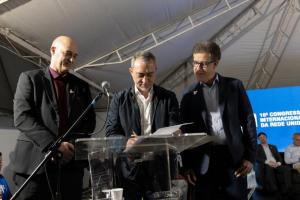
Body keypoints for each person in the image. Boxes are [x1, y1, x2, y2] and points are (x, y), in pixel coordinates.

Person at [11, 35, 96, 200]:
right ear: (53, 50)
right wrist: (54, 145)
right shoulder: (30, 78)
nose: (71, 59)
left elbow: (89, 124)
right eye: (68, 53)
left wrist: (69, 146)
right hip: (35, 168)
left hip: (70, 169)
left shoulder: (82, 87)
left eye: (75, 56)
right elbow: (22, 117)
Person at [180, 41, 257, 200]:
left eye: (203, 64)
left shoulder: (234, 86)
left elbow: (248, 121)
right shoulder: (188, 94)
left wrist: (250, 157)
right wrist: (186, 166)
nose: (197, 68)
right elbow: (185, 133)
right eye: (195, 63)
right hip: (203, 163)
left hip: (234, 160)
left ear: (215, 64)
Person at [106, 51, 180, 200]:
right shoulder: (118, 100)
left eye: (150, 74)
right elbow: (110, 133)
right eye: (140, 75)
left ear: (156, 71)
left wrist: (175, 132)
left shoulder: (168, 97)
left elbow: (174, 125)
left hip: (160, 170)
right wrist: (126, 142)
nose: (145, 80)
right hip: (129, 171)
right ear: (131, 72)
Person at [255, 132, 291, 198]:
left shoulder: (273, 146)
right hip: (267, 165)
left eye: (264, 137)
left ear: (266, 138)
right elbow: (257, 158)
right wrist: (267, 162)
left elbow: (279, 157)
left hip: (276, 164)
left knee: (287, 168)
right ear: (258, 139)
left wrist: (278, 163)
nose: (262, 139)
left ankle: (287, 189)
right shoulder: (257, 148)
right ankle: (274, 190)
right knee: (269, 168)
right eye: (260, 138)